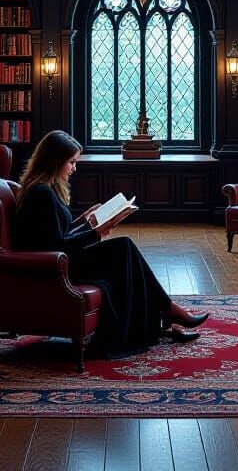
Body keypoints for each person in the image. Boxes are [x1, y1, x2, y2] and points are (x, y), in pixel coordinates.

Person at [12, 130, 208, 358]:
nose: (74, 168)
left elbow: (57, 233)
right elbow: (57, 244)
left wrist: (85, 221)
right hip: (56, 266)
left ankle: (165, 312)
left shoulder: (42, 188)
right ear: (55, 161)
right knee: (124, 248)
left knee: (125, 252)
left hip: (61, 259)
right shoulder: (42, 193)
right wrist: (95, 233)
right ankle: (167, 310)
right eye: (71, 162)